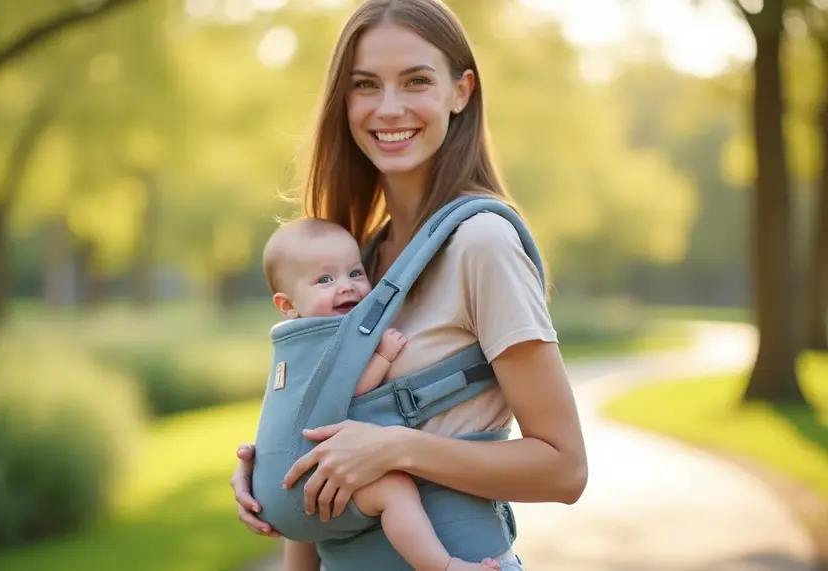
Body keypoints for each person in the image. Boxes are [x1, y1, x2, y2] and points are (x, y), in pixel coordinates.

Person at [231, 0, 588, 569]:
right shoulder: (358, 266)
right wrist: (277, 470)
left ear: (461, 91)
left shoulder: (482, 244)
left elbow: (565, 468)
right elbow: (326, 436)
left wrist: (395, 448)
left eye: (416, 81)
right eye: (365, 84)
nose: (388, 107)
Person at [261, 217, 502, 571]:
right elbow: (344, 392)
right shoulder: (320, 339)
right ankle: (443, 566)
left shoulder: (289, 345)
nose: (346, 287)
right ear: (287, 305)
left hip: (281, 489)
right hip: (305, 484)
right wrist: (384, 358)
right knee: (396, 490)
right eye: (325, 280)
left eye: (355, 273)